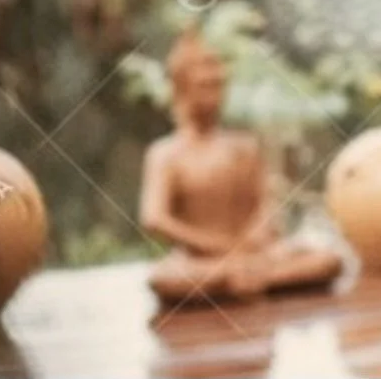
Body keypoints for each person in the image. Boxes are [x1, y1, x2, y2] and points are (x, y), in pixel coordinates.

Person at [140, 28, 342, 304]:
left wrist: (253, 238)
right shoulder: (166, 153)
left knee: (325, 261)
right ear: (181, 88)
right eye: (205, 86)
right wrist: (213, 246)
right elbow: (154, 218)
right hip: (201, 262)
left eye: (218, 85)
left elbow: (267, 203)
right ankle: (244, 280)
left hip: (255, 255)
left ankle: (244, 281)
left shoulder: (243, 146)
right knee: (165, 279)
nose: (215, 94)